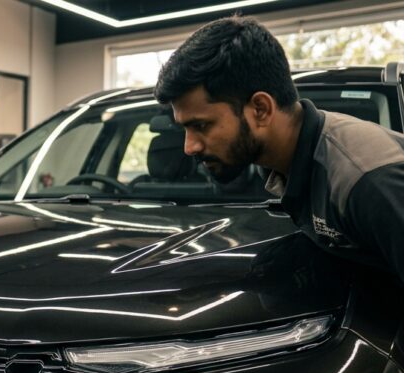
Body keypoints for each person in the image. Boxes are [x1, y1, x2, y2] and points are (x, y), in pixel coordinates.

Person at [154, 16, 404, 283]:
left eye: (201, 125)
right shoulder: (276, 162)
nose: (189, 147)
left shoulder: (367, 182)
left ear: (261, 109)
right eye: (184, 128)